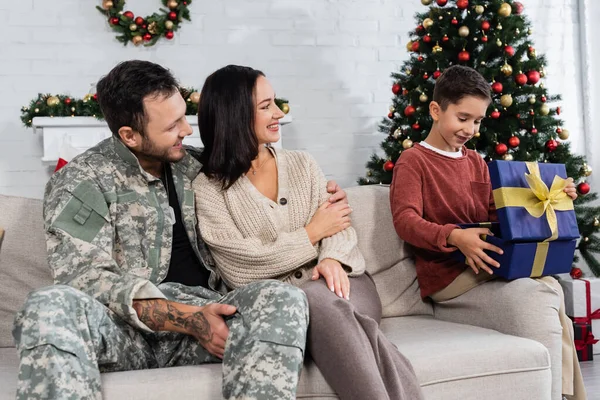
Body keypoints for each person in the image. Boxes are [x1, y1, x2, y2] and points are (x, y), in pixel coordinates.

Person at [12, 60, 343, 400]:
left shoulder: (199, 165)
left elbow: (276, 187)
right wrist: (189, 318)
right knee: (48, 304)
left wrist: (325, 204)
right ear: (130, 135)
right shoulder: (82, 180)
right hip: (126, 332)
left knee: (283, 298)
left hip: (213, 323)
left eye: (185, 115)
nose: (187, 129)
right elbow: (85, 278)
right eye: (172, 125)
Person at [192, 65, 424, 400]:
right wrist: (311, 233)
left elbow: (339, 223)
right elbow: (241, 267)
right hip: (287, 304)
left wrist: (332, 258)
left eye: (276, 103)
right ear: (235, 115)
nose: (278, 113)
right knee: (330, 310)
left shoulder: (302, 163)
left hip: (345, 283)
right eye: (265, 106)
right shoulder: (209, 189)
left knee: (318, 297)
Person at [389, 65, 586, 400]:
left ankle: (561, 395)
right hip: (450, 275)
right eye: (463, 118)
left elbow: (501, 215)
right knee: (544, 293)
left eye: (478, 121)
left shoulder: (476, 162)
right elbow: (405, 221)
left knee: (549, 286)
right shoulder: (414, 161)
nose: (470, 129)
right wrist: (454, 236)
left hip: (486, 265)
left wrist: (553, 197)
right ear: (436, 110)